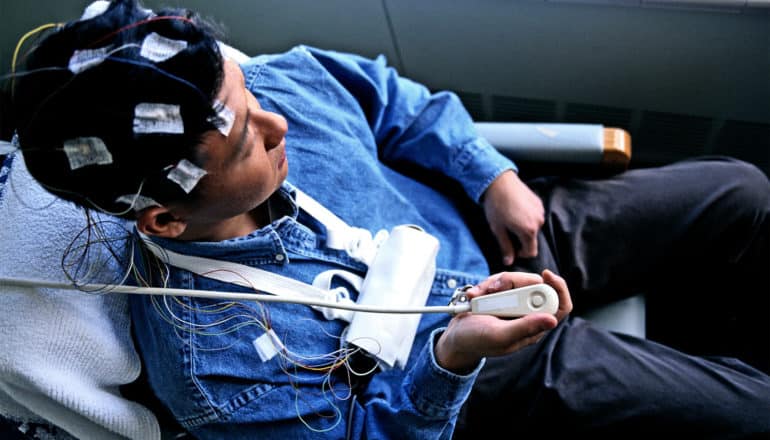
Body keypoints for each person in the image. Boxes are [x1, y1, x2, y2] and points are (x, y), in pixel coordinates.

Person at [6, 0, 770, 438]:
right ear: (166, 220)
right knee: (747, 408)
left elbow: (391, 99)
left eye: (251, 98)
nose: (278, 124)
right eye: (245, 139)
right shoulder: (218, 368)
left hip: (501, 231)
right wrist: (453, 361)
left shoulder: (269, 91)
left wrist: (491, 173)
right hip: (490, 369)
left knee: (743, 189)